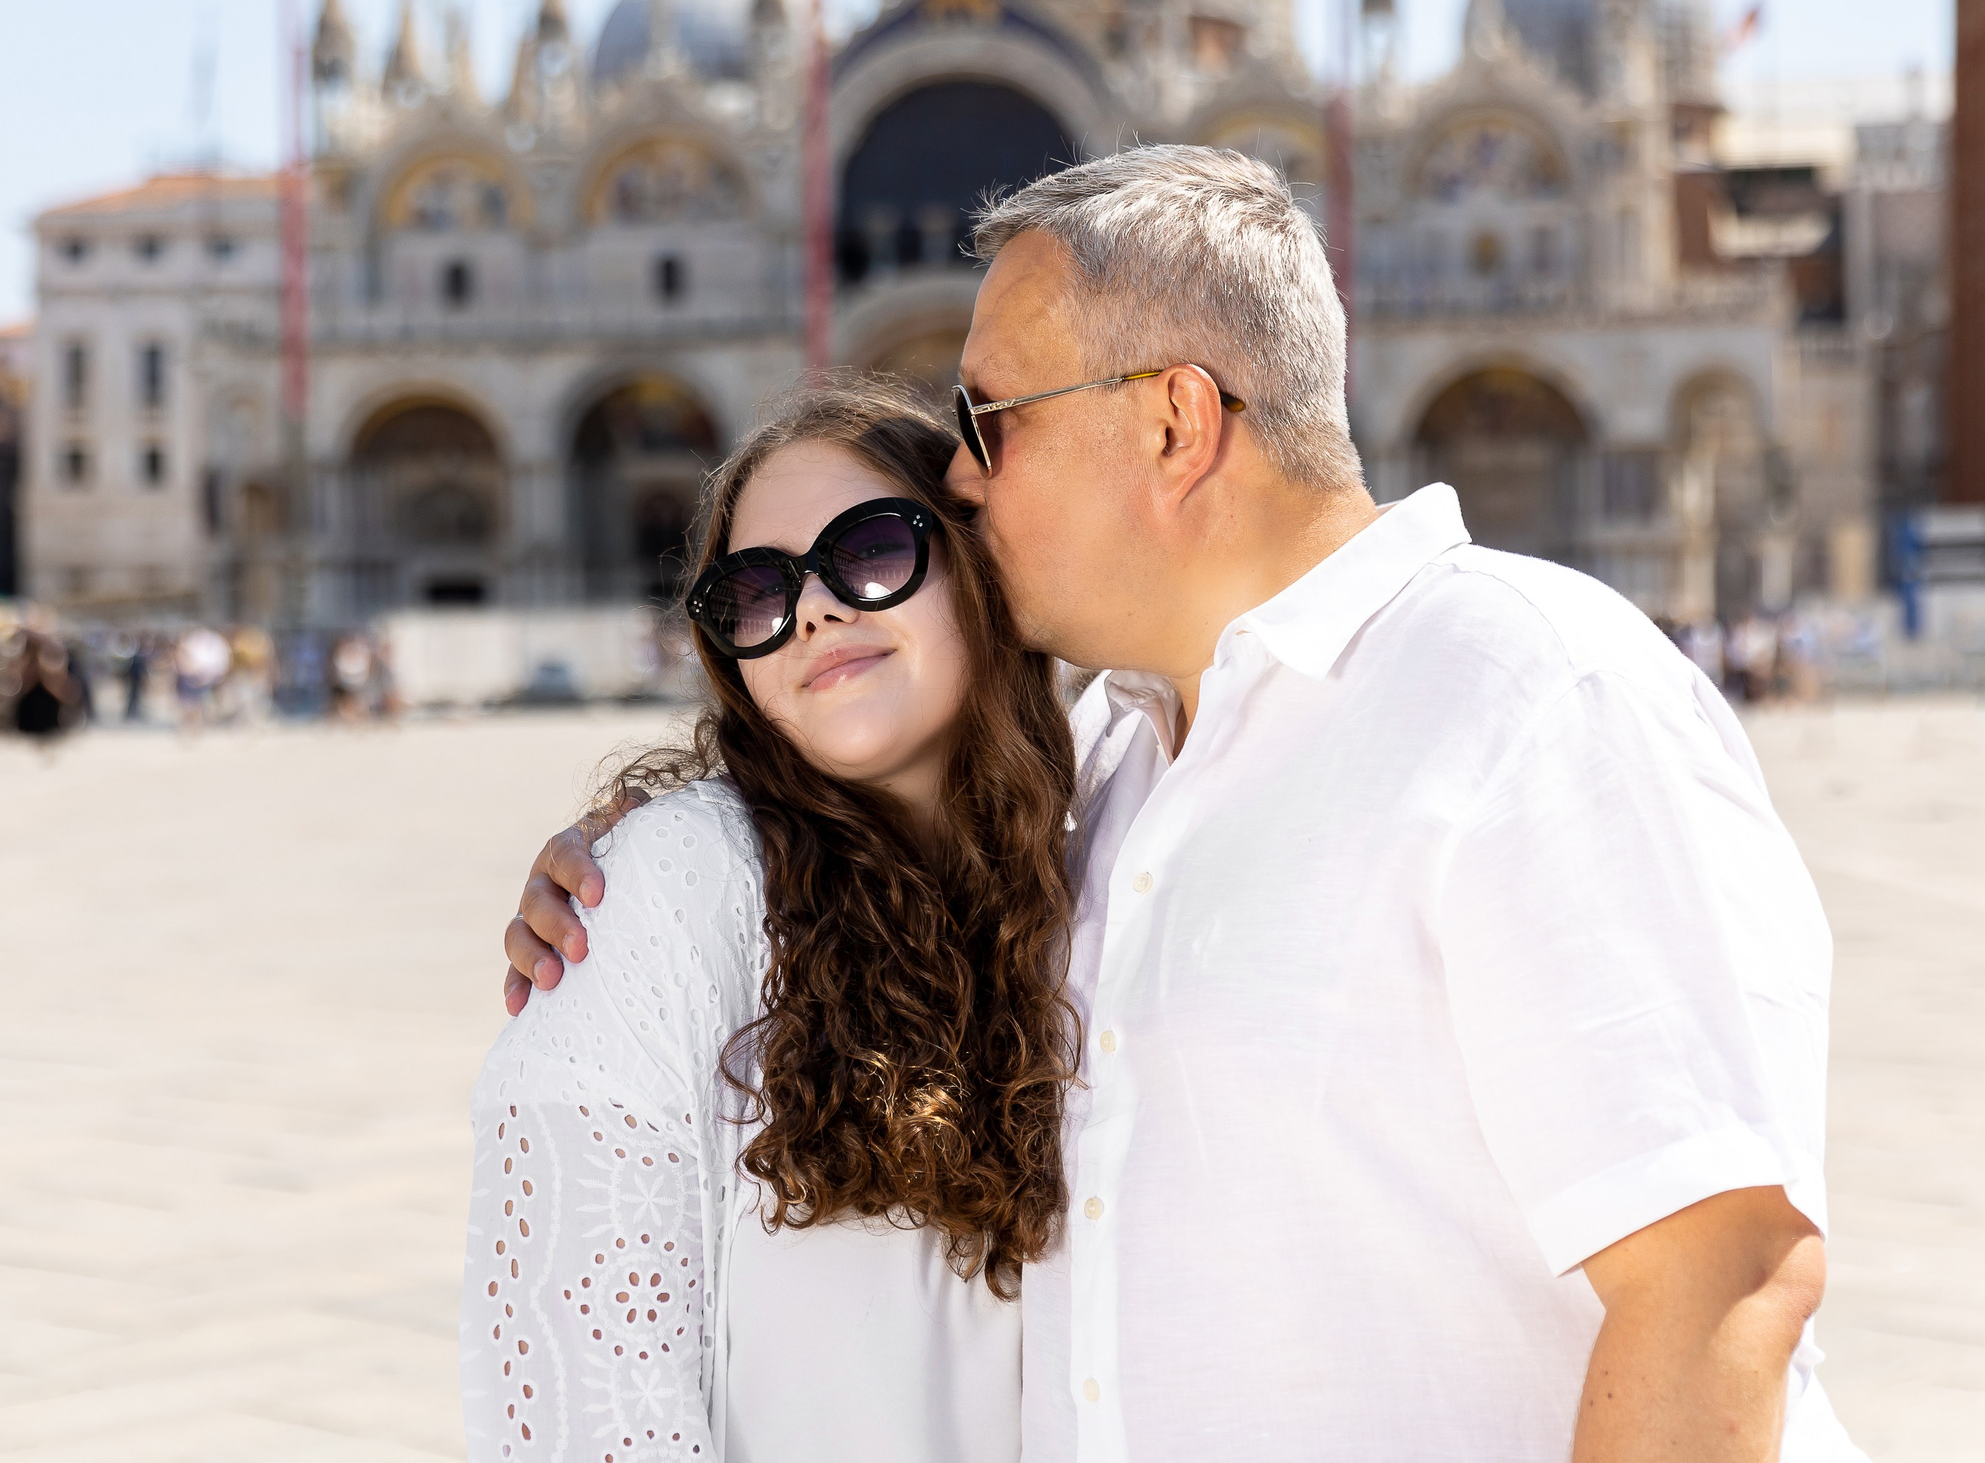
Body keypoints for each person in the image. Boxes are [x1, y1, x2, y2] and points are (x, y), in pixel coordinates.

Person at [507, 146, 1863, 1462]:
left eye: (990, 421)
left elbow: (1720, 1276)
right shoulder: (1114, 757)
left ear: (1173, 418)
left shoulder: (1518, 686)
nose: (960, 480)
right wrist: (658, 859)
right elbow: (883, 803)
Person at [463, 376, 1078, 1463]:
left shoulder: (1119, 849)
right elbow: (584, 1402)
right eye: (754, 593)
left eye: (873, 551)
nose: (815, 611)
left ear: (980, 565)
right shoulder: (666, 890)